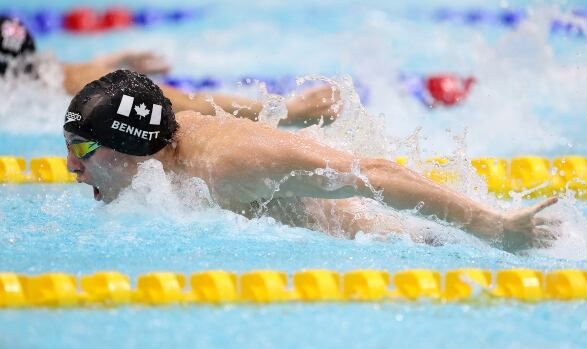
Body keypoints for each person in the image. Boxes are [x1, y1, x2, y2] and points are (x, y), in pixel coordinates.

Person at [64, 70, 560, 252]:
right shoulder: (162, 129)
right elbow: (182, 96)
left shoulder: (228, 164)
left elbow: (374, 176)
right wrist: (297, 111)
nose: (71, 168)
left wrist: (491, 226)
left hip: (390, 236)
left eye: (83, 149)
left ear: (129, 145)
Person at [1, 15, 338, 127]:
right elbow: (178, 102)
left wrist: (110, 61)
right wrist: (286, 111)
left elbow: (47, 74)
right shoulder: (43, 81)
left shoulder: (39, 82)